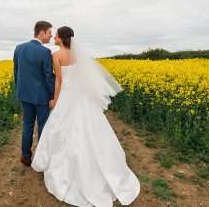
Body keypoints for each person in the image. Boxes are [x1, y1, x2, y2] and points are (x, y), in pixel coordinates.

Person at [31, 26, 140, 206]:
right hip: (81, 96)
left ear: (62, 37)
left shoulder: (56, 56)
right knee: (92, 128)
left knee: (60, 128)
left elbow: (58, 81)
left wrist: (55, 100)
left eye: (56, 35)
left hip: (66, 95)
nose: (55, 37)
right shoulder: (77, 55)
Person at [13, 21, 55, 167]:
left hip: (24, 95)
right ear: (42, 32)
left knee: (27, 125)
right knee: (42, 126)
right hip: (41, 96)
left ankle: (26, 156)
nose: (51, 36)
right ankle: (41, 159)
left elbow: (16, 72)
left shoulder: (19, 48)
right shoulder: (45, 52)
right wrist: (52, 96)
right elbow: (49, 77)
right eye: (50, 32)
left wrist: (20, 90)